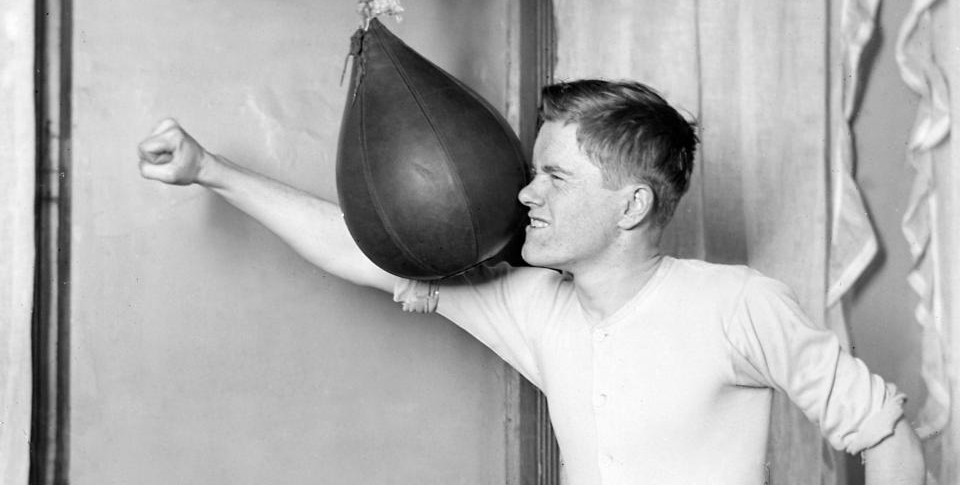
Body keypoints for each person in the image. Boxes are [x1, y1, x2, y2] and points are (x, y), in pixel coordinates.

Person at [138, 79, 925, 484]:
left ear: (633, 204)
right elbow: (366, 251)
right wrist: (211, 171)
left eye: (554, 176)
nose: (525, 195)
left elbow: (884, 431)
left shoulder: (737, 304)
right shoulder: (532, 305)